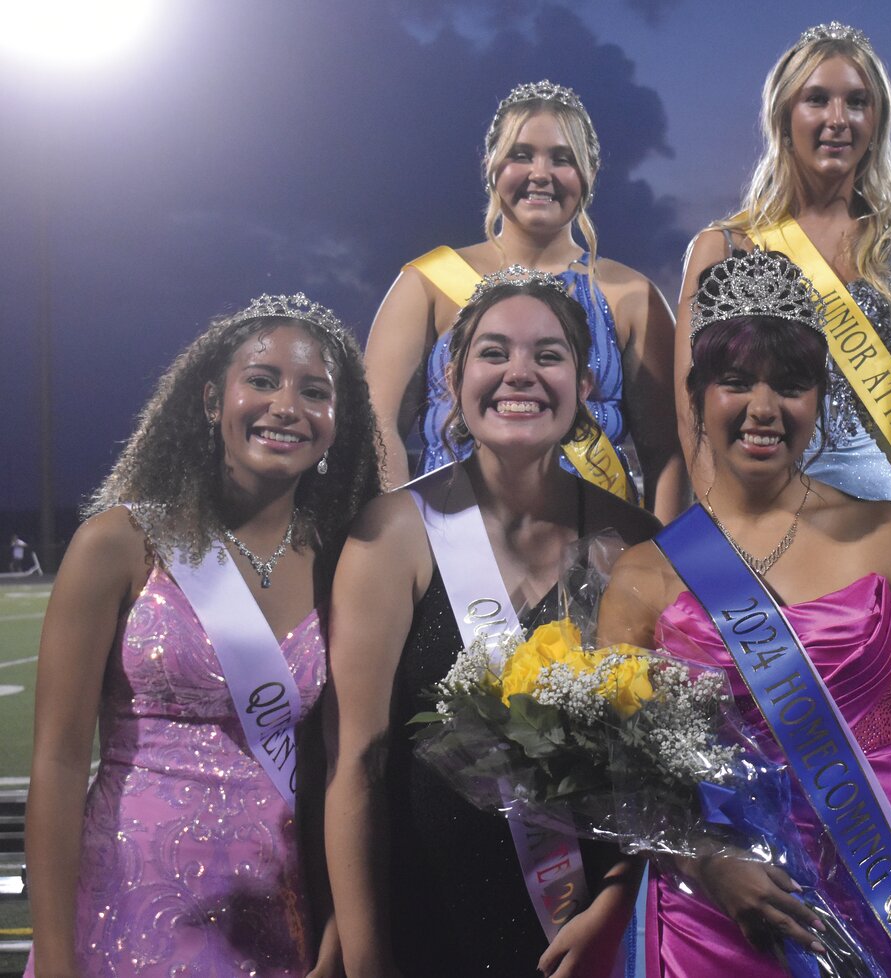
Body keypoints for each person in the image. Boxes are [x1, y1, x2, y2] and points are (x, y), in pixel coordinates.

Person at [604, 251, 891, 977]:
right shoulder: (642, 575)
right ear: (697, 394)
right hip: (716, 917)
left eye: (792, 384)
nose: (764, 408)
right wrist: (707, 864)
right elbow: (628, 779)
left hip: (885, 884)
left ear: (821, 397)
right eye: (736, 382)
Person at [24, 293, 382, 978]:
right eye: (261, 380)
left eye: (314, 392)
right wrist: (58, 958)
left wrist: (343, 918)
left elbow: (353, 767)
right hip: (121, 907)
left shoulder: (350, 563)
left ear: (339, 423)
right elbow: (60, 763)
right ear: (213, 400)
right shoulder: (119, 544)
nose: (286, 405)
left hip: (281, 912)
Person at [325, 267, 660, 978]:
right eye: (493, 352)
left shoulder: (634, 541)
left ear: (585, 383)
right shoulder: (392, 536)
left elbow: (661, 766)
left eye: (548, 355)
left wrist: (618, 900)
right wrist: (365, 960)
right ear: (451, 376)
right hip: (434, 926)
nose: (520, 374)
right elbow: (357, 765)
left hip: (597, 937)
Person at [673, 22, 891, 568]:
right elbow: (692, 407)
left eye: (857, 102)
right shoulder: (722, 247)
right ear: (784, 116)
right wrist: (719, 529)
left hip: (880, 514)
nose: (838, 119)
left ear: (876, 123)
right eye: (817, 100)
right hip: (749, 507)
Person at [365, 79, 684, 520]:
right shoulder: (428, 283)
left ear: (589, 172)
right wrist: (397, 542)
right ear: (490, 165)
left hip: (600, 556)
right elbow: (379, 429)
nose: (540, 173)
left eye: (562, 158)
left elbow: (669, 452)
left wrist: (662, 565)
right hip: (455, 556)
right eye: (521, 155)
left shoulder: (631, 296)